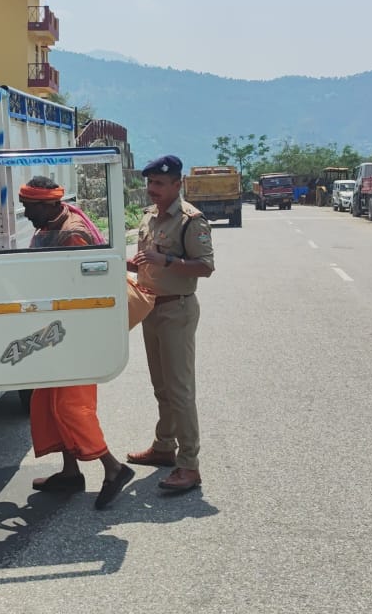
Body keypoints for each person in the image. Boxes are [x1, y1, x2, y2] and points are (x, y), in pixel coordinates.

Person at [18, 176, 136, 510]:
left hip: (77, 336)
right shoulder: (50, 229)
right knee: (47, 401)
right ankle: (70, 472)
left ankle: (113, 468)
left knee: (70, 406)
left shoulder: (72, 233)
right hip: (57, 333)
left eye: (30, 207)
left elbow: (85, 291)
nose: (26, 213)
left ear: (51, 204)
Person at [126, 155, 215, 493]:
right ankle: (164, 447)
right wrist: (131, 264)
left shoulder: (191, 220)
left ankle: (189, 466)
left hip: (177, 311)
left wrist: (169, 260)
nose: (152, 190)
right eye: (150, 183)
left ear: (177, 185)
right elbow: (148, 263)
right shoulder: (149, 217)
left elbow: (205, 266)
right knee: (161, 387)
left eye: (160, 184)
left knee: (179, 391)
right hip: (151, 307)